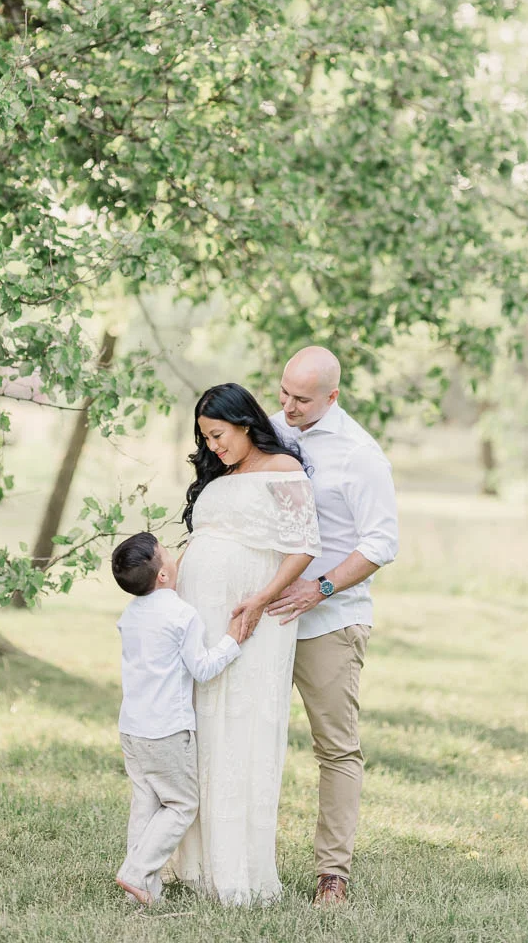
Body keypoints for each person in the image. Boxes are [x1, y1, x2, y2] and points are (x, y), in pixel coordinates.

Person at [172, 383, 320, 905]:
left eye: (218, 435)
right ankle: (192, 862)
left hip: (252, 620)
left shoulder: (283, 470)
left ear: (244, 423)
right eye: (205, 438)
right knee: (202, 726)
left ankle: (238, 868)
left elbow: (304, 546)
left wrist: (259, 600)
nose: (213, 447)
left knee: (241, 727)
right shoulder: (224, 475)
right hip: (201, 621)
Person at [268, 345, 399, 909]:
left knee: (336, 749)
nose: (288, 405)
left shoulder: (360, 455)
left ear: (332, 397)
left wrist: (318, 588)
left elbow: (381, 543)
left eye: (302, 399)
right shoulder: (270, 430)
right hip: (266, 614)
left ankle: (332, 875)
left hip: (330, 621)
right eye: (284, 392)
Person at [111, 532, 249, 907]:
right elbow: (202, 669)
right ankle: (136, 872)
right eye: (167, 554)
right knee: (181, 805)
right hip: (166, 730)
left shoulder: (131, 614)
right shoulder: (181, 615)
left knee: (146, 804)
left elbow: (162, 584)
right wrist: (232, 641)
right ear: (163, 576)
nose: (173, 557)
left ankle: (142, 893)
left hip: (133, 728)